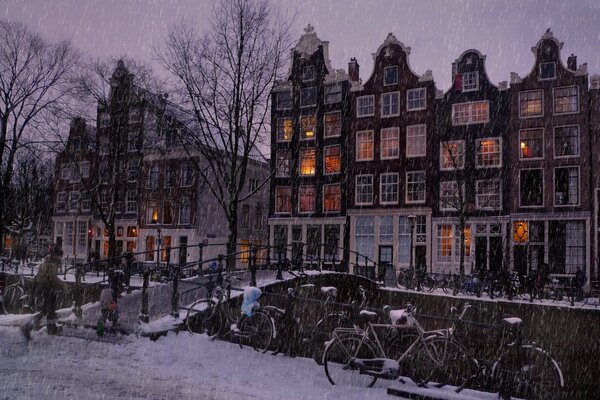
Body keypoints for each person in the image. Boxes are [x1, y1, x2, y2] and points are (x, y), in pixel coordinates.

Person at [20, 244, 66, 340]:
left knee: (51, 309)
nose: (61, 257)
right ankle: (28, 326)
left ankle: (52, 328)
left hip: (42, 288)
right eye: (60, 255)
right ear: (56, 255)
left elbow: (40, 275)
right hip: (46, 289)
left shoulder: (46, 261)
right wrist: (63, 285)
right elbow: (52, 277)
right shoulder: (52, 263)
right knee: (46, 310)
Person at [97, 270, 123, 336]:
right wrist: (113, 301)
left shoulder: (109, 286)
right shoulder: (114, 287)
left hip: (103, 303)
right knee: (113, 312)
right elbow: (113, 296)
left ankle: (101, 328)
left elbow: (106, 296)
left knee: (104, 316)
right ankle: (113, 322)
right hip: (107, 303)